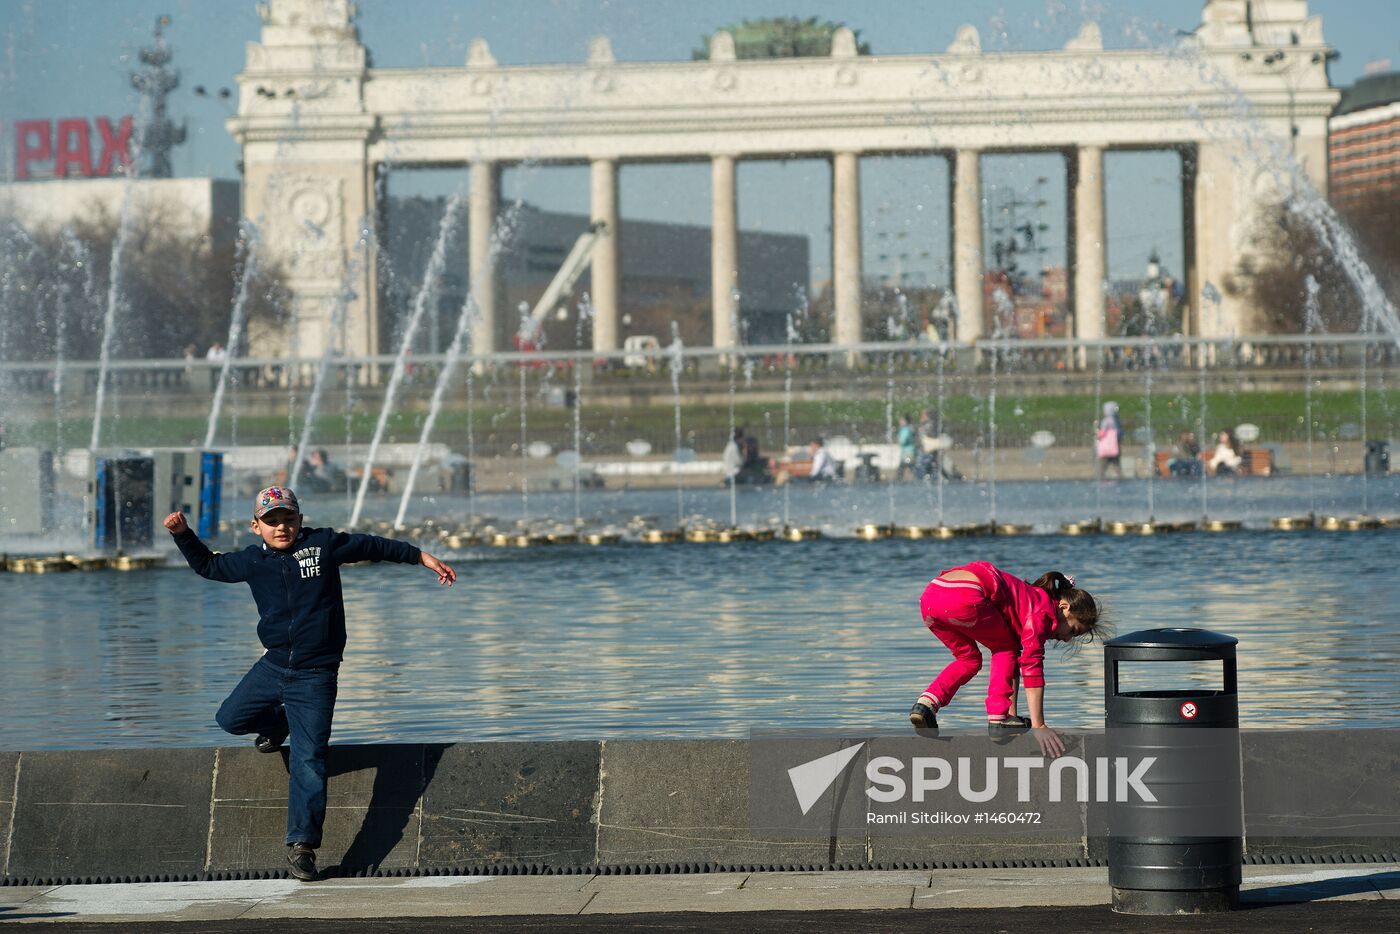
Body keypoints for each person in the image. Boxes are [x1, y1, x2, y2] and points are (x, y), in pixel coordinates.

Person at [162, 486, 457, 882]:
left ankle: (302, 847)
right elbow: (209, 568)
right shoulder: (252, 561)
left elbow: (374, 546)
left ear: (300, 521)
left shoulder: (323, 545)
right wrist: (183, 535)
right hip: (273, 666)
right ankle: (278, 724)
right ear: (256, 526)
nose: (281, 527)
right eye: (272, 521)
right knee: (229, 718)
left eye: (288, 519)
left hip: (316, 675)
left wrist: (421, 556)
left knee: (309, 758)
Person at [908, 562, 1102, 759]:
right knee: (1005, 648)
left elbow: (1013, 665)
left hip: (931, 597)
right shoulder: (1042, 611)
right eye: (1073, 630)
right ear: (1064, 608)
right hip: (966, 594)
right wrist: (1039, 725)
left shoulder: (1028, 600)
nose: (1067, 638)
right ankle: (998, 717)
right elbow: (1031, 667)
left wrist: (1012, 717)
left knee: (969, 659)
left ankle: (926, 704)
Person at [1096, 401, 1123, 480]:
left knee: (1103, 466)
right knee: (1117, 465)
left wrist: (1098, 435)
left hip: (1106, 448)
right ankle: (1120, 479)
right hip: (1115, 447)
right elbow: (1120, 432)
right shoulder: (1116, 420)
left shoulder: (1106, 420)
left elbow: (1103, 432)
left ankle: (1100, 479)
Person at [896, 414, 917, 481]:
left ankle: (899, 480)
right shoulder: (909, 429)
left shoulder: (905, 430)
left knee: (903, 467)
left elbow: (902, 441)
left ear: (905, 421)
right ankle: (917, 479)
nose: (900, 421)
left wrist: (898, 440)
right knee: (910, 467)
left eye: (901, 420)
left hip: (907, 453)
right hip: (909, 452)